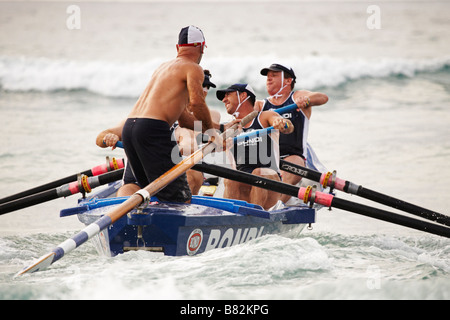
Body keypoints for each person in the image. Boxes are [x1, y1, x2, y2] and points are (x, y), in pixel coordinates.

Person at [108, 25, 217, 203]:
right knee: (180, 197)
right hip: (152, 130)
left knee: (150, 192)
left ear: (177, 48)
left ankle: (141, 227)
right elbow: (197, 103)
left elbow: (184, 120)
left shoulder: (163, 68)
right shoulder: (193, 68)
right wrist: (212, 134)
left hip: (130, 129)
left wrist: (212, 130)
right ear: (202, 47)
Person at [97, 69, 223, 197]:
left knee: (191, 175)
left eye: (206, 89)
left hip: (172, 179)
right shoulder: (140, 119)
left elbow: (189, 146)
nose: (203, 92)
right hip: (137, 182)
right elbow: (100, 138)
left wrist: (178, 148)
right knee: (125, 193)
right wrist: (109, 137)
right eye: (201, 87)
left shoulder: (188, 125)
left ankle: (180, 210)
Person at [255, 63, 328, 203]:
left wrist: (307, 100)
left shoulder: (297, 97)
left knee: (293, 164)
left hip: (293, 158)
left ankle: (276, 205)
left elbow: (323, 97)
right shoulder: (261, 105)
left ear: (288, 81)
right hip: (268, 159)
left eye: (274, 76)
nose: (268, 79)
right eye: (267, 77)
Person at [217, 83, 293, 210]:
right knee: (230, 178)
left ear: (243, 96)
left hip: (269, 183)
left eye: (228, 95)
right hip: (242, 187)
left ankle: (255, 215)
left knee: (259, 172)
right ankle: (233, 218)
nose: (224, 100)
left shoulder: (265, 117)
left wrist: (283, 123)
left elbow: (287, 125)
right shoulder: (228, 128)